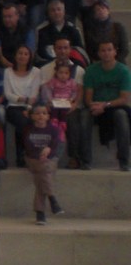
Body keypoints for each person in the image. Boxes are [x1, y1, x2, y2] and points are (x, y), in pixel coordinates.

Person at [39, 36, 88, 171]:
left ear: (70, 49)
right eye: (59, 48)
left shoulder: (79, 70)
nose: (62, 51)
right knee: (41, 117)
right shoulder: (45, 69)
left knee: (72, 120)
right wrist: (48, 105)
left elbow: (79, 92)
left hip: (71, 106)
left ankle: (74, 157)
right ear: (54, 50)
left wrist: (74, 105)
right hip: (51, 106)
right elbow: (44, 90)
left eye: (65, 48)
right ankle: (41, 156)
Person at [81, 40, 131, 171]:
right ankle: (85, 160)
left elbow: (124, 99)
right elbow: (88, 98)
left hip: (115, 106)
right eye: (103, 50)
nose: (106, 53)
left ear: (115, 52)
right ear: (98, 53)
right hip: (95, 107)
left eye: (109, 50)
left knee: (122, 115)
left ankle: (124, 161)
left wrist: (105, 105)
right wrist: (94, 106)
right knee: (84, 116)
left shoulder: (123, 71)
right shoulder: (91, 71)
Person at [23, 104, 64, 225]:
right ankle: (52, 199)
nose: (41, 115)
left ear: (48, 116)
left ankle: (40, 214)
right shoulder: (28, 129)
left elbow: (55, 147)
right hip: (33, 159)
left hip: (50, 160)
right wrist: (40, 155)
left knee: (42, 175)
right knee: (44, 170)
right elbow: (28, 148)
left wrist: (48, 151)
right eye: (37, 113)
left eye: (44, 113)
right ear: (32, 116)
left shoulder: (54, 130)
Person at [4, 45, 42, 167]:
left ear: (30, 57)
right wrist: (23, 99)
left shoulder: (36, 72)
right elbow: (8, 94)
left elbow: (34, 94)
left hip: (30, 106)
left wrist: (29, 108)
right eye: (20, 53)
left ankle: (30, 155)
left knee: (29, 120)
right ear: (15, 56)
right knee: (22, 122)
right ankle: (22, 156)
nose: (22, 56)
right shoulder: (8, 72)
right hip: (13, 106)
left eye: (26, 54)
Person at [36, 0, 84, 66]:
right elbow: (39, 54)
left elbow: (80, 51)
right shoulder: (40, 30)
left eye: (59, 9)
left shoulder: (74, 29)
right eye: (53, 10)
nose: (56, 12)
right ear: (48, 13)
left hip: (71, 65)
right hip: (47, 65)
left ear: (64, 12)